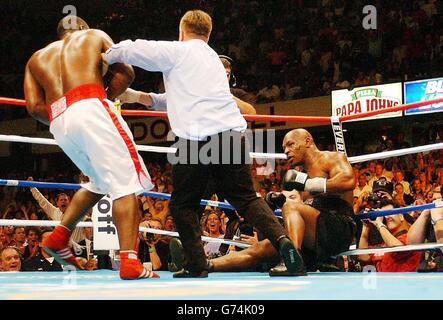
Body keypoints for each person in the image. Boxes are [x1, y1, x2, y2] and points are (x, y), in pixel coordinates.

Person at [104, 9, 300, 277]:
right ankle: (285, 243)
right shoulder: (211, 61)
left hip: (197, 140)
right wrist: (136, 96)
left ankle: (197, 264)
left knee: (183, 205)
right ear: (207, 34)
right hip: (232, 135)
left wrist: (103, 53)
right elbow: (173, 98)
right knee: (245, 199)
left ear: (181, 31)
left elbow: (134, 49)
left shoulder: (180, 51)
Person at [23, 15, 157, 280]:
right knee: (125, 181)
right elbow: (126, 72)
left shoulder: (36, 58)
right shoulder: (93, 35)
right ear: (81, 28)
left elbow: (33, 107)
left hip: (59, 122)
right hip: (90, 105)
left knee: (98, 180)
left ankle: (60, 236)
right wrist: (103, 97)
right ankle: (130, 261)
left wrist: (67, 111)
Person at [116, 55, 256, 115]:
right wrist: (133, 96)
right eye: (218, 72)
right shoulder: (194, 91)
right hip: (203, 148)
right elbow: (161, 101)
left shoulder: (238, 94)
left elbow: (251, 112)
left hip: (232, 147)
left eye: (226, 74)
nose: (222, 77)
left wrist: (224, 95)